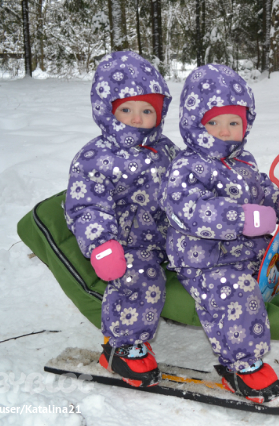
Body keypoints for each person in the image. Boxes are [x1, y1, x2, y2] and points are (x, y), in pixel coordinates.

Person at [160, 64, 279, 403]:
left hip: (245, 251)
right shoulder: (186, 167)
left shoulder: (244, 161)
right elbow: (188, 209)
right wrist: (240, 219)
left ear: (246, 124)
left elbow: (261, 193)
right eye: (214, 122)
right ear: (195, 124)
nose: (224, 131)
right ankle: (243, 363)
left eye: (234, 122)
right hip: (204, 259)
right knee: (234, 290)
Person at [64, 50, 177, 388]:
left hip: (169, 236)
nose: (138, 119)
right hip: (127, 244)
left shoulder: (166, 148)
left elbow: (186, 186)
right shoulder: (94, 158)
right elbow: (86, 205)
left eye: (147, 110)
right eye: (126, 109)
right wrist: (102, 244)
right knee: (140, 277)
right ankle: (121, 346)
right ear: (107, 110)